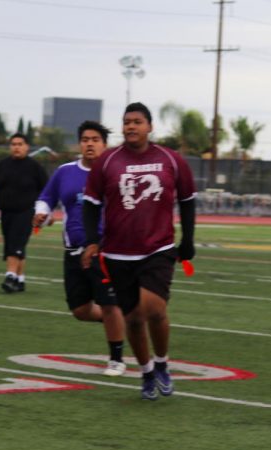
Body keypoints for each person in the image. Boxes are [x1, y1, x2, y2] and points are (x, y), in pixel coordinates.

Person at [81, 102, 196, 400]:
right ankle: (146, 372)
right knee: (132, 318)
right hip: (118, 253)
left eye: (137, 121)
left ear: (149, 126)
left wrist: (188, 240)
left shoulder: (171, 160)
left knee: (155, 309)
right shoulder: (108, 161)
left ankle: (162, 364)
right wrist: (92, 241)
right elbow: (91, 205)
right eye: (126, 122)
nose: (131, 126)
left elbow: (187, 200)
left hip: (158, 248)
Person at [33, 121, 127, 377]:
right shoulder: (65, 172)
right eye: (85, 139)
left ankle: (116, 358)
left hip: (105, 251)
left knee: (109, 303)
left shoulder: (115, 172)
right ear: (79, 143)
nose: (90, 143)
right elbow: (45, 198)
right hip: (73, 251)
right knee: (80, 310)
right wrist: (42, 213)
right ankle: (118, 320)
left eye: (95, 139)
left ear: (104, 144)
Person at [0, 133, 48, 293]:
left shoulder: (35, 167)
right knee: (14, 246)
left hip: (27, 212)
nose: (16, 147)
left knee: (15, 245)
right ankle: (20, 280)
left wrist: (47, 212)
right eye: (13, 144)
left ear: (26, 146)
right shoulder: (2, 165)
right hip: (6, 212)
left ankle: (10, 276)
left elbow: (48, 191)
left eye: (20, 144)